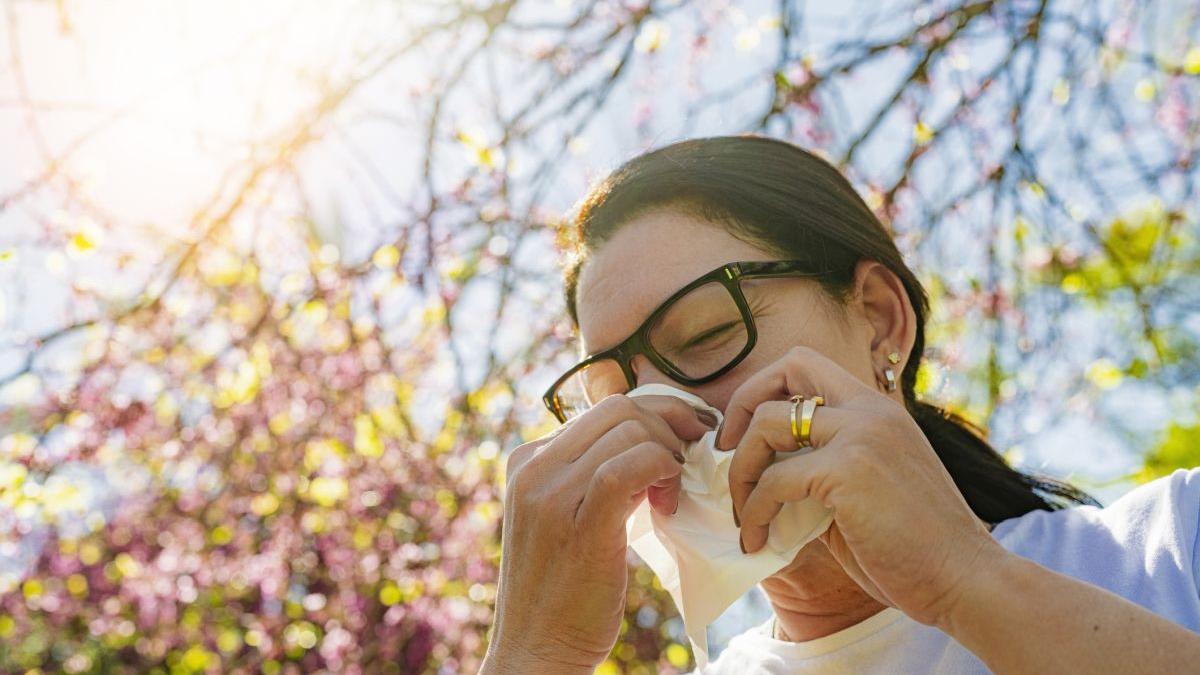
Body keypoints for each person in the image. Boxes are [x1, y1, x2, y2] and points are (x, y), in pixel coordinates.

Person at [479, 135, 1200, 674]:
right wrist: (530, 655)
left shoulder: (1173, 548)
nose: (663, 414)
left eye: (708, 333)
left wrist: (967, 581)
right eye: (614, 398)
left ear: (880, 319)